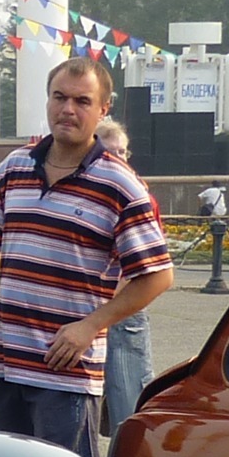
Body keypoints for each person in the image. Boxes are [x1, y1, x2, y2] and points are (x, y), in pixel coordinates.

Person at [0, 57, 173, 457]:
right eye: (59, 97)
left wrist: (91, 326)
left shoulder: (120, 185)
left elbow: (157, 276)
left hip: (66, 374)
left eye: (82, 101)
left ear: (103, 109)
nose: (68, 109)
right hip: (6, 366)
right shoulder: (14, 167)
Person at [94, 119, 155, 434]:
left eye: (123, 152)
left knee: (127, 405)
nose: (119, 158)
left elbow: (153, 263)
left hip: (123, 310)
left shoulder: (135, 192)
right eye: (111, 151)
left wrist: (119, 291)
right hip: (85, 307)